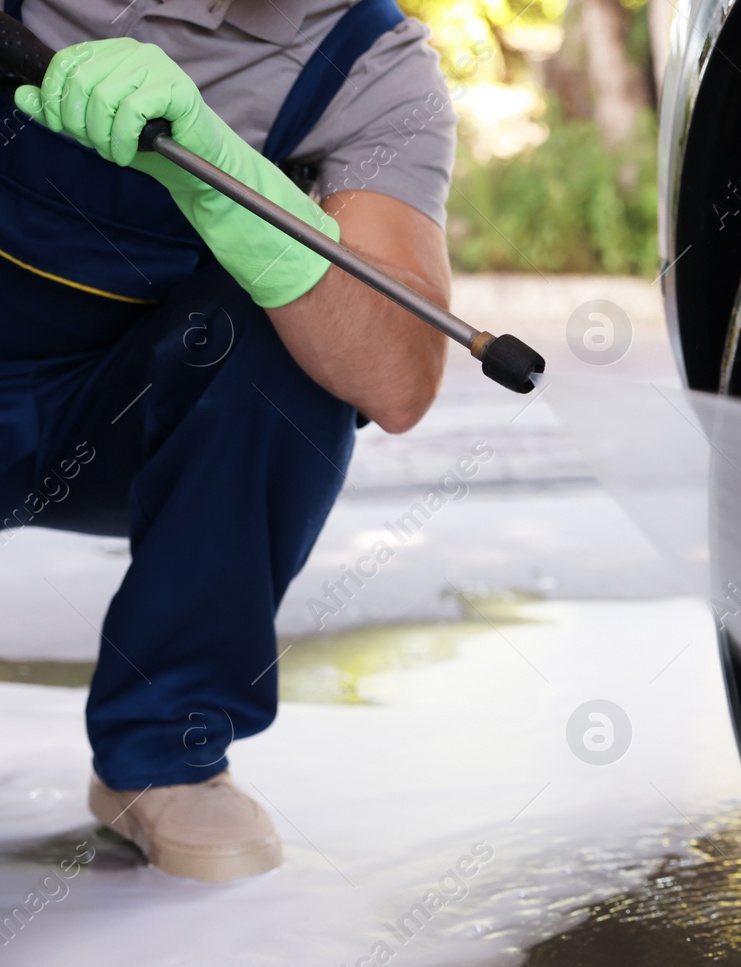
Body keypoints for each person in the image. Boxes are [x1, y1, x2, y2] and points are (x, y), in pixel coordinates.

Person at [0, 0, 457, 881]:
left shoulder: (374, 73)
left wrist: (232, 188)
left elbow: (400, 379)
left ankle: (167, 751)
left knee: (306, 312)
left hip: (109, 431)